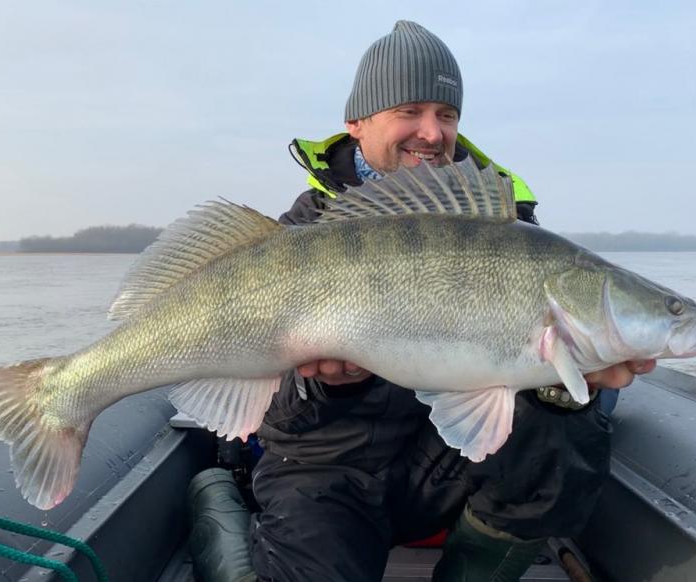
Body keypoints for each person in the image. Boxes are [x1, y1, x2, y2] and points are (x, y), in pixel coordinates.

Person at [188, 20, 655, 582]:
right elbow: (275, 418)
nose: (431, 133)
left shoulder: (505, 231)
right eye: (409, 111)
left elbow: (533, 401)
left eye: (447, 114)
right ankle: (217, 502)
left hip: (445, 467)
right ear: (357, 122)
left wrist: (565, 388)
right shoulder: (302, 235)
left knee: (563, 426)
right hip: (325, 473)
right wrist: (330, 385)